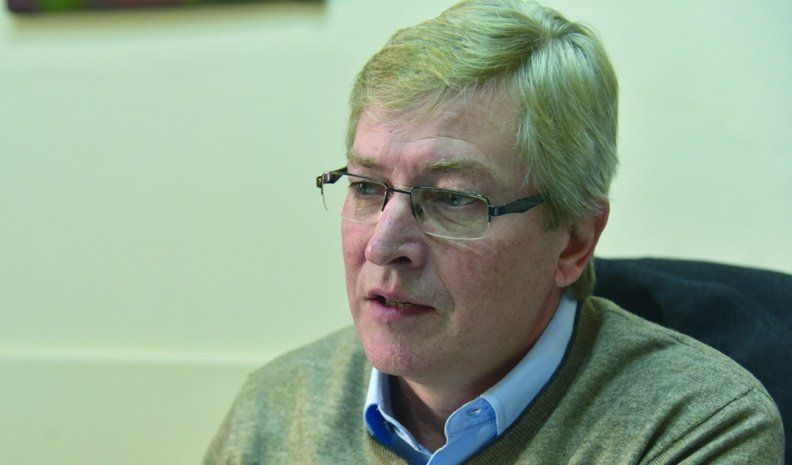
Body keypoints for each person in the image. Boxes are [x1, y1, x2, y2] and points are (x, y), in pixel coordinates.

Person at [204, 0, 784, 463]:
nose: (383, 245)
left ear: (574, 241)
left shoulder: (696, 428)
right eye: (366, 187)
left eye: (453, 199)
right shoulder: (275, 411)